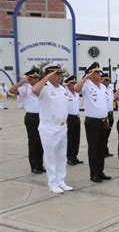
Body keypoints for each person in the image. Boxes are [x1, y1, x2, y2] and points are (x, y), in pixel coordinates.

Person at [31, 63, 73, 194]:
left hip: (62, 127)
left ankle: (61, 181)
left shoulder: (62, 89)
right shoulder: (44, 88)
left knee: (61, 157)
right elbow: (34, 90)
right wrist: (46, 77)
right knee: (51, 158)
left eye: (60, 74)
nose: (60, 76)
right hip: (49, 128)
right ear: (50, 75)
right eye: (57, 74)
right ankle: (52, 183)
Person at [75, 62, 112, 183]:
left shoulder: (102, 86)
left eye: (99, 72)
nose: (99, 74)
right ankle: (94, 173)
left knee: (101, 148)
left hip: (103, 121)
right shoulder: (87, 85)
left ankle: (100, 171)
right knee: (94, 148)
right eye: (96, 72)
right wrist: (86, 76)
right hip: (92, 122)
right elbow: (76, 89)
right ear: (90, 74)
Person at [9, 67, 45, 174]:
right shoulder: (25, 88)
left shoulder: (41, 88)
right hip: (31, 118)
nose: (37, 80)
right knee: (33, 142)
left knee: (41, 142)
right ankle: (34, 166)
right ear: (30, 79)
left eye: (37, 78)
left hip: (42, 117)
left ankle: (40, 164)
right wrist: (23, 81)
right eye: (34, 78)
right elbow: (11, 90)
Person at [65, 75, 83, 165]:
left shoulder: (76, 93)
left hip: (76, 117)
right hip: (69, 118)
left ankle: (75, 156)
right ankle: (69, 157)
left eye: (75, 83)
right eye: (72, 83)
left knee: (76, 138)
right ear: (68, 84)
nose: (74, 85)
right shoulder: (65, 92)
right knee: (69, 138)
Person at [102, 74, 114, 157]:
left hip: (110, 113)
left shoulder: (110, 89)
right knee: (103, 134)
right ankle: (102, 151)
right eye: (106, 80)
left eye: (108, 80)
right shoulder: (101, 89)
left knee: (107, 134)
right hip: (104, 115)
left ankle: (105, 149)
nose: (107, 82)